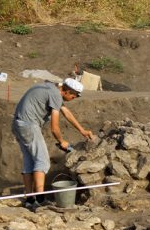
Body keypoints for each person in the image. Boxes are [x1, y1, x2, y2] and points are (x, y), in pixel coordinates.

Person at [11, 77, 95, 211]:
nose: (73, 99)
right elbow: (54, 127)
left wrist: (82, 130)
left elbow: (66, 112)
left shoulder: (50, 88)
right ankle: (40, 200)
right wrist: (62, 142)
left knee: (29, 162)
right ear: (66, 91)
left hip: (18, 124)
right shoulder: (55, 94)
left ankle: (29, 200)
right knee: (43, 162)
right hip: (29, 125)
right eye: (73, 96)